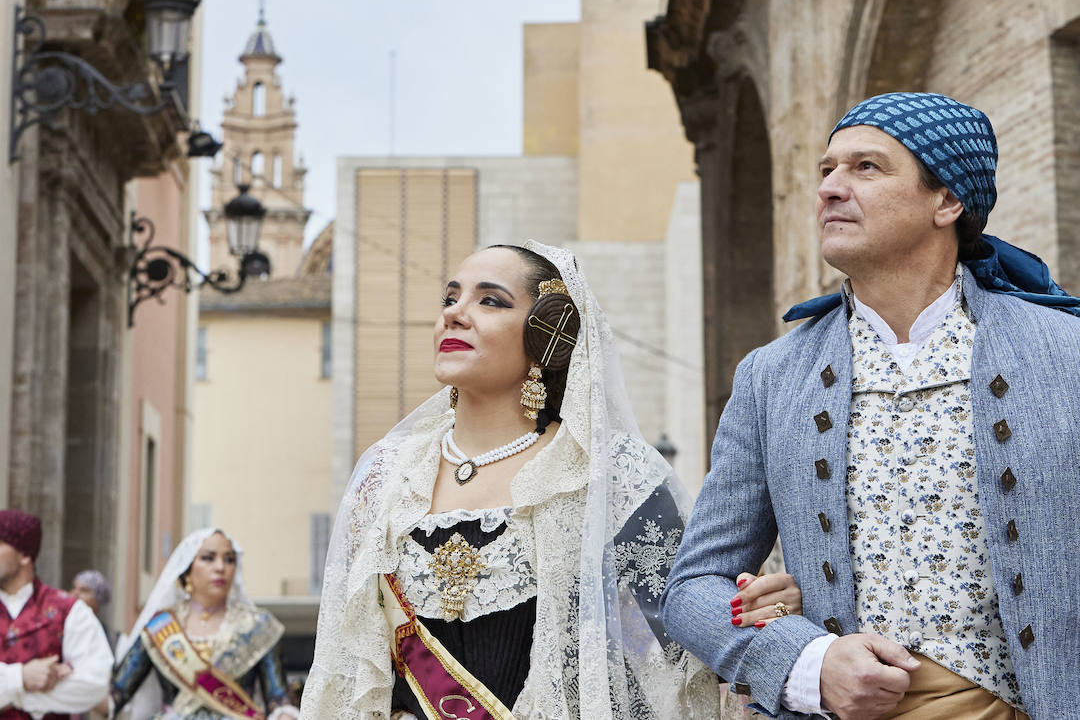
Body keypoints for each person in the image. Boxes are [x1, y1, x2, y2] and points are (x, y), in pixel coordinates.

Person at [662, 92, 1080, 719]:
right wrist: (807, 662)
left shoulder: (1075, 357)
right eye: (827, 170)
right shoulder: (772, 375)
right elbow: (691, 589)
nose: (830, 189)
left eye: (866, 168)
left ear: (947, 201)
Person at [300, 241, 801, 719]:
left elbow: (661, 649)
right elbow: (347, 666)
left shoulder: (610, 476)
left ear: (547, 333)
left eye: (490, 301)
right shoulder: (387, 476)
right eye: (450, 298)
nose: (454, 312)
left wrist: (753, 611)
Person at [0, 508, 113, 718]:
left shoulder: (70, 612)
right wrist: (20, 678)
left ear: (25, 555)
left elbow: (95, 685)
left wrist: (15, 694)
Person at [106, 528, 298, 720]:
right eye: (208, 558)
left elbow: (278, 700)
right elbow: (116, 695)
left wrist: (285, 715)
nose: (220, 567)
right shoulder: (160, 626)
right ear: (187, 569)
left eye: (229, 559)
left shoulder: (258, 627)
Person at [70, 569, 116, 647]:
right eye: (74, 588)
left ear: (98, 598)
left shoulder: (103, 634)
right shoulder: (62, 626)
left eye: (84, 590)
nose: (75, 594)